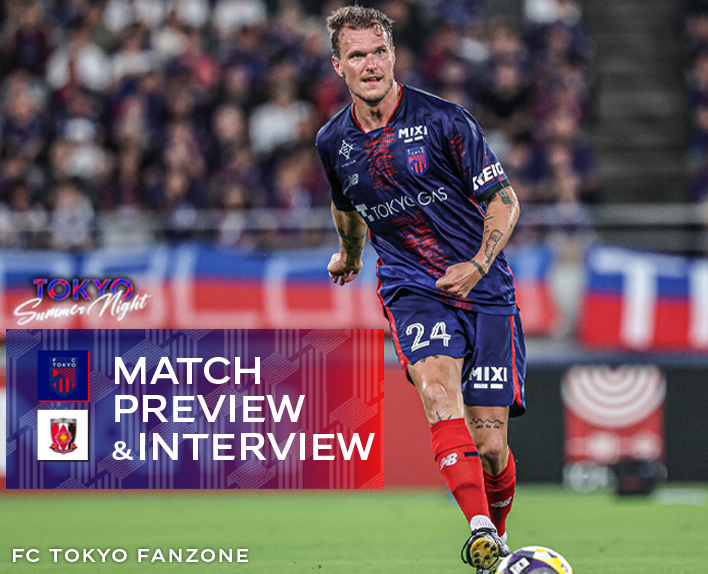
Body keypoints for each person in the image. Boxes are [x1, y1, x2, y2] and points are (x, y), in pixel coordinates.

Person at [316, 6, 526, 574]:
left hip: (484, 289)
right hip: (412, 286)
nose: (369, 64)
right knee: (437, 392)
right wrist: (351, 254)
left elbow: (503, 201)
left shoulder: (445, 121)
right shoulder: (333, 141)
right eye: (356, 55)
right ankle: (480, 531)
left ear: (393, 55)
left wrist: (478, 263)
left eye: (378, 51)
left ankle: (497, 544)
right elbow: (345, 204)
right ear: (338, 65)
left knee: (491, 447)